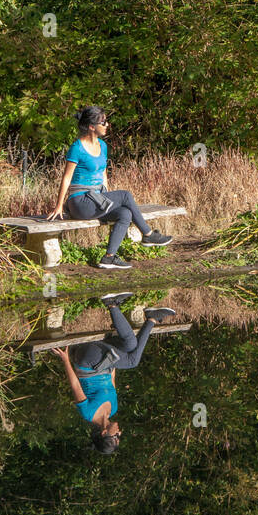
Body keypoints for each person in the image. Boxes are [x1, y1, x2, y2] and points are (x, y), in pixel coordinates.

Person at [47, 106, 173, 269]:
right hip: (80, 203)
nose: (107, 125)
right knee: (125, 195)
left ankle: (108, 258)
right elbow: (66, 178)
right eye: (103, 122)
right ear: (92, 126)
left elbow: (103, 174)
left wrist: (107, 195)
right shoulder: (77, 148)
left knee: (124, 213)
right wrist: (58, 206)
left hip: (97, 200)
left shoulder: (103, 146)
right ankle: (148, 235)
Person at [51, 300, 176, 454]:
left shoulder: (88, 413)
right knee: (130, 345)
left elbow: (75, 385)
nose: (119, 433)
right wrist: (116, 355)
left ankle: (143, 315)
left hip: (87, 362)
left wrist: (65, 359)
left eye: (115, 436)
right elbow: (112, 378)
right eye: (119, 436)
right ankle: (147, 317)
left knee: (132, 360)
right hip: (104, 362)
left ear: (104, 433)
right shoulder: (113, 409)